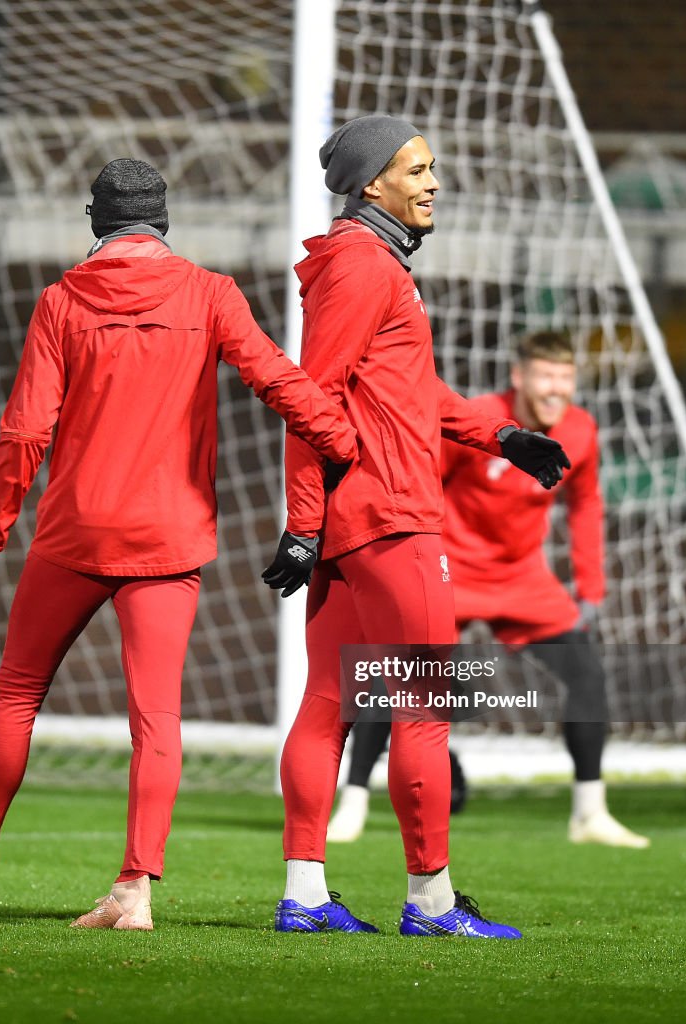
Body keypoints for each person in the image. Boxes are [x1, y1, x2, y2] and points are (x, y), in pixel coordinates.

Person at [0, 158, 359, 929]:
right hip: (169, 539)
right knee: (156, 719)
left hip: (73, 532)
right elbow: (280, 382)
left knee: (16, 696)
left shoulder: (60, 301)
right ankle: (133, 890)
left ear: (95, 220)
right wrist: (340, 440)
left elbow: (24, 430)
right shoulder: (211, 293)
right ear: (164, 220)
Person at [261, 116, 570, 938]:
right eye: (417, 169)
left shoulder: (360, 264)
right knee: (424, 708)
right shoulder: (365, 269)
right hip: (391, 519)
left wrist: (501, 435)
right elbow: (308, 395)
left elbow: (408, 393)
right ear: (372, 184)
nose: (433, 182)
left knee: (326, 704)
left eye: (431, 168)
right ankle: (431, 904)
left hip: (348, 523)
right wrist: (298, 522)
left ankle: (304, 894)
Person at [326, 331, 649, 850]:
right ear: (520, 376)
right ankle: (354, 802)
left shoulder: (582, 431)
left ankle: (590, 812)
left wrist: (591, 585)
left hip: (523, 576)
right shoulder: (482, 419)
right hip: (452, 567)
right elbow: (424, 477)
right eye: (546, 376)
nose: (556, 388)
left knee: (587, 672)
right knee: (400, 675)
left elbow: (586, 505)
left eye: (565, 378)